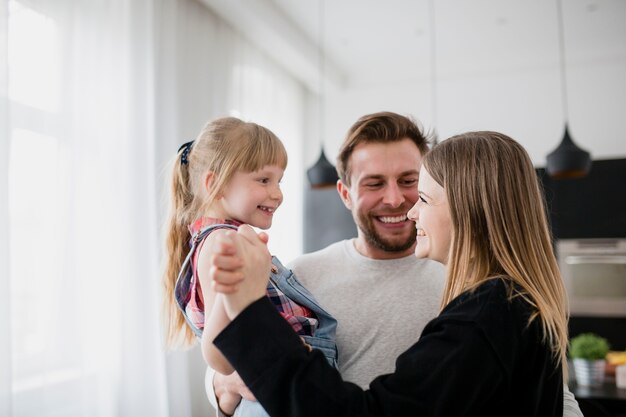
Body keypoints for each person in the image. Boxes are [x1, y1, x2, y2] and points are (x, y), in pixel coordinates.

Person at [207, 112, 582, 416]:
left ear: (468, 208)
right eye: (374, 183)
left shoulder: (482, 307)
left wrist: (247, 306)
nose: (401, 203)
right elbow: (231, 370)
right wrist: (219, 386)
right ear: (345, 194)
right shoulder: (298, 277)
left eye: (415, 187)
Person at [161, 117, 338, 417]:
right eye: (263, 180)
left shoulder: (219, 240)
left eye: (279, 181)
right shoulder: (223, 244)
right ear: (213, 184)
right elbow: (219, 351)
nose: (278, 194)